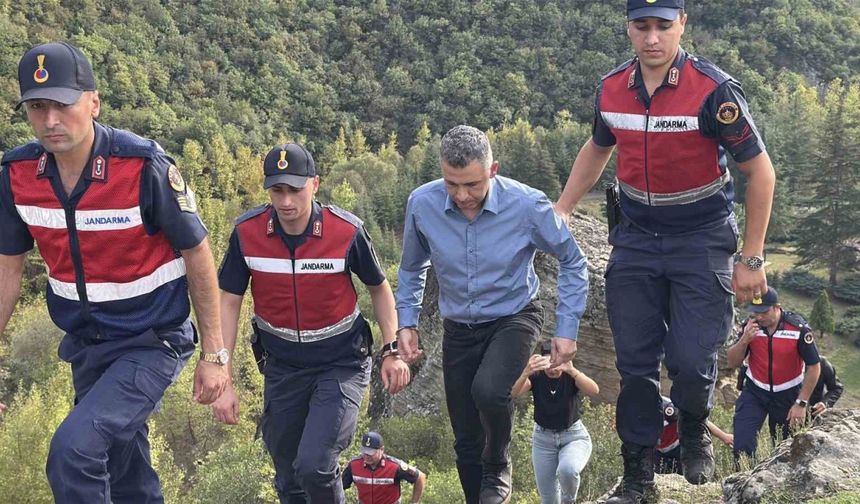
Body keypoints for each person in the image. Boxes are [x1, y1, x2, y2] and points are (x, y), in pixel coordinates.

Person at [553, 0, 776, 499]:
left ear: (682, 26)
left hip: (701, 239)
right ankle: (638, 475)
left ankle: (695, 431)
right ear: (629, 29)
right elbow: (598, 146)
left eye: (663, 26)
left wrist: (752, 257)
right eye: (642, 26)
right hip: (634, 238)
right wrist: (564, 205)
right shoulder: (612, 88)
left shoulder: (714, 90)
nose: (652, 38)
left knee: (693, 360)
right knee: (634, 365)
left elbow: (760, 172)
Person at [0, 42, 228, 503]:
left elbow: (198, 253)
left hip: (152, 340)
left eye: (62, 105)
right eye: (37, 107)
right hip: (87, 347)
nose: (50, 121)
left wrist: (215, 354)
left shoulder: (141, 167)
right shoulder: (16, 175)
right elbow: (6, 271)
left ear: (93, 102)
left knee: (73, 452)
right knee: (126, 478)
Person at [396, 125, 589, 504]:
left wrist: (567, 329)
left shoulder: (528, 205)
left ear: (493, 169)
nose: (462, 195)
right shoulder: (422, 204)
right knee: (465, 435)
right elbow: (411, 268)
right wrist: (407, 321)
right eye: (452, 184)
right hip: (459, 327)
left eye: (472, 184)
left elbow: (573, 260)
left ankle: (499, 464)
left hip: (514, 316)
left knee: (488, 391)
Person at [213, 142, 411, 503]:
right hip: (283, 368)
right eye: (277, 190)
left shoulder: (345, 232)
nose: (286, 201)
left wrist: (391, 350)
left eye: (295, 189)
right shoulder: (247, 233)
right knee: (288, 476)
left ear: (315, 184)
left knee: (316, 465)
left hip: (340, 363)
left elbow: (380, 290)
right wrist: (221, 372)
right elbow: (228, 300)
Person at [726, 287, 821, 462]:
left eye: (763, 311)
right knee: (742, 443)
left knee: (785, 448)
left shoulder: (798, 328)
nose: (759, 317)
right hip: (755, 391)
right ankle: (745, 483)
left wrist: (801, 403)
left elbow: (814, 367)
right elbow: (732, 362)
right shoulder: (750, 327)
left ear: (777, 307)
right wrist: (744, 340)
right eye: (755, 312)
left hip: (788, 394)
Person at [511, 341, 599, 504]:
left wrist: (572, 370)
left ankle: (569, 501)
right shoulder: (536, 377)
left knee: (568, 469)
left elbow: (594, 390)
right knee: (548, 498)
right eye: (548, 363)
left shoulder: (570, 376)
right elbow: (514, 392)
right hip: (543, 440)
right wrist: (525, 372)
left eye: (556, 363)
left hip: (573, 436)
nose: (552, 368)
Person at [653, 396, 733, 475]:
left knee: (694, 473)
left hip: (681, 446)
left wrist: (724, 436)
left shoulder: (666, 407)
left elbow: (698, 422)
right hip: (658, 452)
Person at [342, 431, 426, 504]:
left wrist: (414, 502)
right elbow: (340, 486)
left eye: (371, 452)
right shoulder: (354, 465)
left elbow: (420, 477)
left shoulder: (394, 466)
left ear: (382, 450)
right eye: (365, 451)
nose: (367, 456)